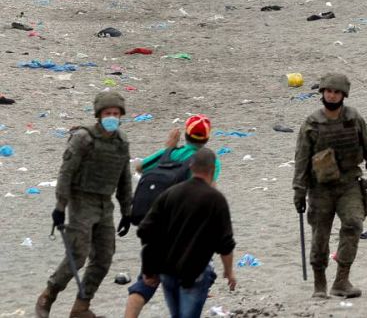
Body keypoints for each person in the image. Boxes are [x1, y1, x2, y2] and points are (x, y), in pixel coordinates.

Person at [35, 91, 133, 318]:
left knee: (104, 257)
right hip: (81, 201)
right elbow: (66, 172)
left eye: (116, 114)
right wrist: (60, 206)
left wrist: (127, 211)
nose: (112, 117)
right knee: (77, 254)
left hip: (104, 204)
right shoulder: (84, 138)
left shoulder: (121, 142)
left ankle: (81, 306)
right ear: (99, 115)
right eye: (108, 113)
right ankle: (49, 294)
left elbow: (124, 178)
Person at [293, 73, 367, 299]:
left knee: (354, 223)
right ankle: (319, 283)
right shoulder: (312, 123)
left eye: (336, 92)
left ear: (344, 95)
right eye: (328, 91)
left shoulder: (353, 119)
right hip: (320, 187)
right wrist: (299, 190)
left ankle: (342, 280)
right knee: (320, 234)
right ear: (322, 93)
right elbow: (302, 158)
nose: (332, 96)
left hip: (349, 184)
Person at [134, 148, 235, 318]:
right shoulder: (215, 199)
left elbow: (145, 230)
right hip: (195, 272)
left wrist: (149, 268)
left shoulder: (170, 193)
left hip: (167, 271)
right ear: (212, 170)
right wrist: (229, 271)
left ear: (191, 167)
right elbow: (225, 243)